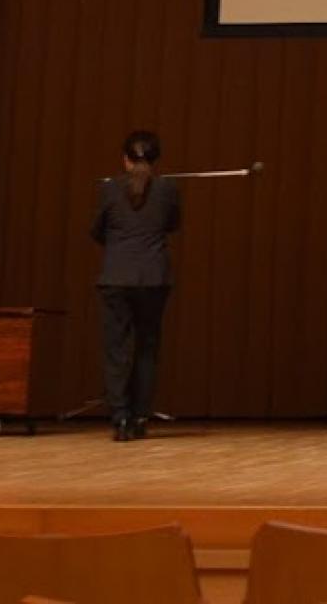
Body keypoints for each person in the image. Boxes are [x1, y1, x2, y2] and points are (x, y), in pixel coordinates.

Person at [92, 130, 181, 443]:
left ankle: (120, 419)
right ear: (155, 160)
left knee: (117, 350)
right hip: (153, 279)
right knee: (146, 348)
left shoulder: (109, 189)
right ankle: (140, 418)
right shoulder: (168, 189)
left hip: (116, 277)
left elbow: (97, 230)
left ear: (125, 159)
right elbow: (172, 224)